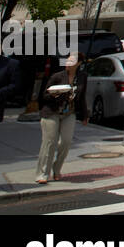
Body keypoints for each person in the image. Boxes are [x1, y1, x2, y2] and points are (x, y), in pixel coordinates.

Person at [36, 53, 88, 184]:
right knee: (50, 143)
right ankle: (43, 173)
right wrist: (55, 95)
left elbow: (81, 97)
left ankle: (57, 168)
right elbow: (44, 96)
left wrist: (85, 114)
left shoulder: (82, 77)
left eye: (72, 61)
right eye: (67, 61)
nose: (68, 63)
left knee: (66, 141)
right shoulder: (57, 76)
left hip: (69, 113)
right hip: (51, 112)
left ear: (79, 63)